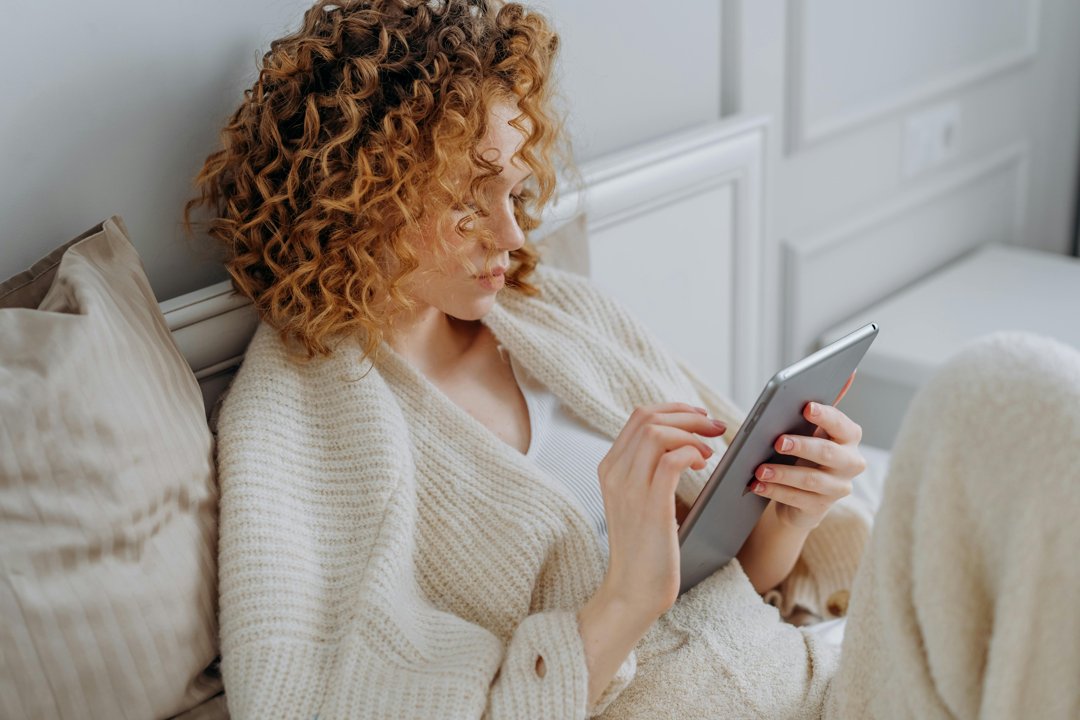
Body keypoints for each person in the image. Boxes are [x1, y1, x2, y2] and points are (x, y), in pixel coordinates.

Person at [184, 1, 1080, 718]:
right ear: (358, 201)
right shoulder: (298, 420)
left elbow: (729, 591)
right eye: (467, 200)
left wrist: (789, 520)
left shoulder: (555, 313)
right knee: (998, 395)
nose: (510, 232)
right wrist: (619, 605)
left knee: (1025, 408)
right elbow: (308, 695)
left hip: (814, 687)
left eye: (516, 187)